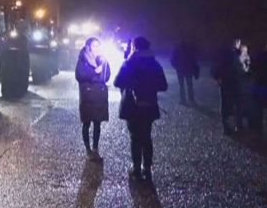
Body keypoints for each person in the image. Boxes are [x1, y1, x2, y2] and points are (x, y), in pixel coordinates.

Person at [114, 36, 168, 182]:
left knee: (135, 138)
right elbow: (163, 85)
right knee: (146, 136)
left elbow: (117, 82)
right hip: (149, 104)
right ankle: (148, 168)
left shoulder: (129, 63)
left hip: (132, 105)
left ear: (134, 47)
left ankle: (137, 168)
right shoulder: (154, 63)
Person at [75, 37, 111, 161]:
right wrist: (95, 72)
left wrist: (103, 67)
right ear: (88, 47)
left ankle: (95, 148)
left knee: (97, 122)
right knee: (86, 122)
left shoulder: (102, 59)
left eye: (98, 46)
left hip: (99, 95)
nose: (96, 48)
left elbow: (107, 77)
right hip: (88, 95)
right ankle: (88, 149)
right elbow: (79, 75)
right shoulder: (83, 58)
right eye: (94, 46)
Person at [211, 38, 243, 134]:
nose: (239, 44)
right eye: (238, 42)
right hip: (231, 82)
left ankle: (230, 125)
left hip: (229, 82)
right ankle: (233, 125)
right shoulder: (230, 54)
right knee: (231, 104)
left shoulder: (227, 53)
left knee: (229, 104)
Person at [169, 39, 200, 105]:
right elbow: (194, 60)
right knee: (189, 85)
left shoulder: (177, 49)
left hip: (180, 70)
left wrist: (176, 67)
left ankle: (183, 100)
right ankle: (191, 99)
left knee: (182, 86)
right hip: (188, 70)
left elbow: (172, 60)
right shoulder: (189, 49)